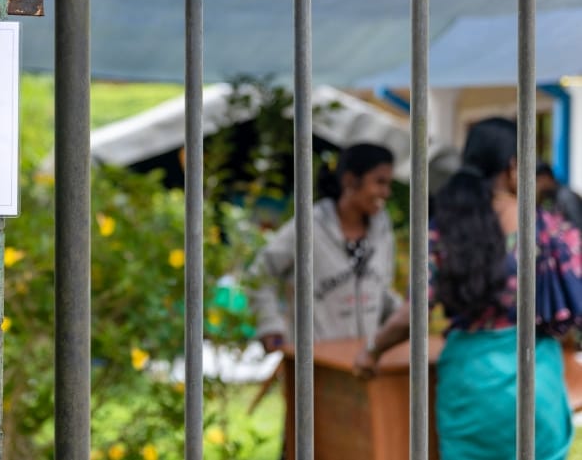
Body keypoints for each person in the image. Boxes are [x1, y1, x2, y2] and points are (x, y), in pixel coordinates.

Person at [354, 117, 577, 460]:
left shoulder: (445, 229)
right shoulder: (548, 229)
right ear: (513, 165)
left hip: (471, 389)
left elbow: (411, 315)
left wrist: (372, 351)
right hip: (537, 384)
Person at [248, 142, 402, 352]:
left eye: (388, 183)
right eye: (379, 182)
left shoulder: (382, 232)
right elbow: (260, 275)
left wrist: (405, 316)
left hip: (364, 359)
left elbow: (379, 290)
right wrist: (270, 326)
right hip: (316, 362)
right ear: (350, 181)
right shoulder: (308, 226)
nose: (386, 192)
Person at [537, 161, 582, 230]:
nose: (536, 185)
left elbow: (579, 224)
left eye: (537, 180)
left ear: (545, 177)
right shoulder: (546, 197)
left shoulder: (567, 196)